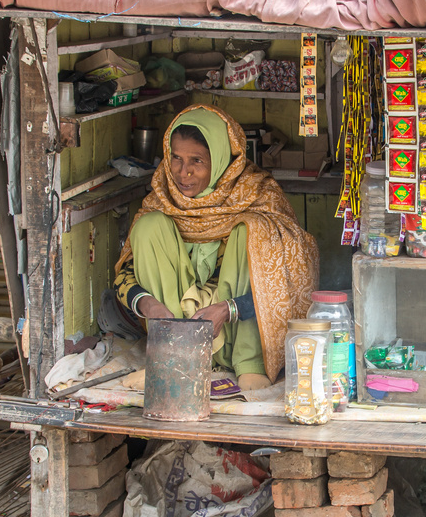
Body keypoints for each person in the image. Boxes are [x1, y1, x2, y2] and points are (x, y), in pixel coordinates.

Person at [113, 105, 319, 392]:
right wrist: (148, 304)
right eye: (176, 158)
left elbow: (290, 283)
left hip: (234, 333)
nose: (183, 173)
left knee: (252, 228)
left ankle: (252, 365)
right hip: (180, 334)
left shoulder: (258, 194)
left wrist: (228, 309)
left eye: (196, 160)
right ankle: (172, 358)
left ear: (221, 159)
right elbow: (125, 276)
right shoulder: (162, 197)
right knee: (148, 225)